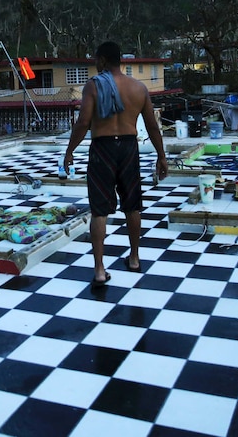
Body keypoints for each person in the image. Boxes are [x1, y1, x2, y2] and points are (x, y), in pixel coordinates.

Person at [64, 41, 168, 289]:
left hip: (103, 148)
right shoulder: (138, 87)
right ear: (120, 60)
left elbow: (83, 122)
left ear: (101, 60)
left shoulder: (94, 86)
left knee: (100, 210)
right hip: (129, 147)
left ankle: (100, 270)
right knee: (132, 205)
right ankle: (134, 258)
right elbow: (152, 126)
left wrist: (69, 152)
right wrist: (161, 156)